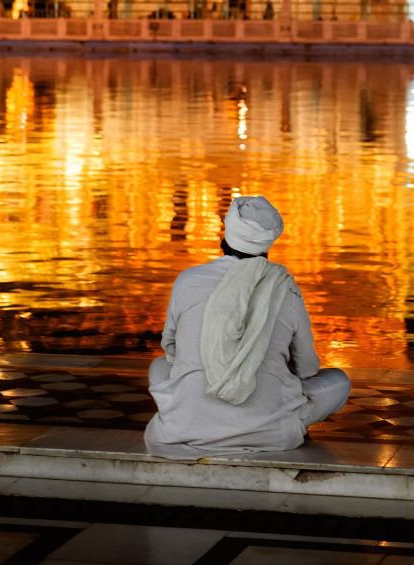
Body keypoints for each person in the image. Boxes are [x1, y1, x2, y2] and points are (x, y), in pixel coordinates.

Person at [145, 195, 351, 458]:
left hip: (184, 426)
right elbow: (307, 368)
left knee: (160, 366)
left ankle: (193, 413)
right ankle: (272, 417)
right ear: (268, 242)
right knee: (338, 382)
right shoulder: (285, 288)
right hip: (271, 429)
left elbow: (171, 348)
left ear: (226, 235)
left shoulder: (187, 280)